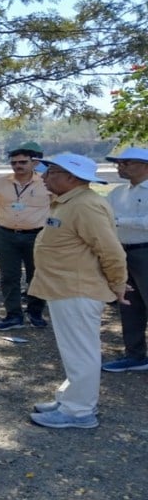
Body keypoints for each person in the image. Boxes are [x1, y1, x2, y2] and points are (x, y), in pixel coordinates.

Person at [27, 153, 127, 429]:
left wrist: (118, 282)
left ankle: (79, 411)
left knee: (81, 352)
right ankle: (70, 398)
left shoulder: (85, 205)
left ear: (71, 177)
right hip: (65, 289)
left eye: (52, 173)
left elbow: (110, 250)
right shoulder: (68, 203)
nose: (45, 177)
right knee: (74, 351)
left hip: (78, 290)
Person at [0, 142, 51, 331]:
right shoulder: (0, 183)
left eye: (23, 162)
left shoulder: (45, 183)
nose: (18, 166)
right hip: (6, 235)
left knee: (37, 275)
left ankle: (35, 312)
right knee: (8, 276)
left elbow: (56, 207)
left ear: (34, 163)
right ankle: (13, 315)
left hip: (37, 235)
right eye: (14, 163)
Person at [102, 147, 148, 373]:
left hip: (145, 251)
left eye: (127, 162)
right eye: (119, 163)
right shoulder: (117, 192)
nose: (121, 167)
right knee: (129, 306)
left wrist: (119, 220)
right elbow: (103, 217)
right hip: (123, 252)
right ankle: (135, 355)